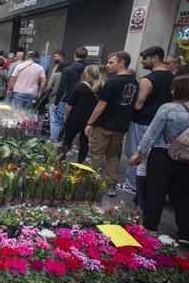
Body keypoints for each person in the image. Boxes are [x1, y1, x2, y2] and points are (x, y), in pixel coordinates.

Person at [130, 74, 189, 247]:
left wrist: (139, 153)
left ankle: (151, 227)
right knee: (183, 195)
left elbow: (151, 134)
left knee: (156, 191)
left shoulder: (168, 108)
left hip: (164, 155)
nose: (171, 91)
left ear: (181, 89)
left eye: (174, 87)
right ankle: (185, 233)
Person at [118, 46, 174, 195]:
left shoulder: (147, 80)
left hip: (142, 121)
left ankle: (132, 184)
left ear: (155, 58)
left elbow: (138, 105)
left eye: (145, 58)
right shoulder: (173, 78)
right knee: (151, 157)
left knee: (135, 153)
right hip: (163, 124)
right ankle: (143, 184)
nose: (142, 62)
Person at [85, 51, 139, 197]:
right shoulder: (134, 82)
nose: (107, 65)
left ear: (121, 63)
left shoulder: (112, 82)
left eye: (111, 62)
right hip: (120, 127)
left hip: (104, 126)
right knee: (113, 156)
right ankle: (111, 186)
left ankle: (93, 185)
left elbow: (101, 105)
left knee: (96, 155)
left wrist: (90, 123)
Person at [61, 64, 107, 163]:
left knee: (67, 139)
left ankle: (60, 160)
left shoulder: (80, 85)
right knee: (85, 143)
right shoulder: (102, 87)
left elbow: (70, 104)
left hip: (75, 117)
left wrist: (65, 116)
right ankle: (79, 164)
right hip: (90, 119)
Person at [52, 47, 88, 142]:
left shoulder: (68, 70)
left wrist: (56, 103)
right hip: (82, 101)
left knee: (57, 122)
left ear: (74, 55)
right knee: (73, 125)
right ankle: (69, 146)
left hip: (66, 99)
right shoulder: (88, 70)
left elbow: (62, 89)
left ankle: (53, 143)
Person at [46, 60, 67, 141]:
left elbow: (49, 87)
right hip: (66, 101)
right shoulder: (69, 75)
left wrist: (43, 93)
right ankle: (60, 136)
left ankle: (53, 139)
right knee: (61, 120)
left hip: (54, 99)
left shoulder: (55, 75)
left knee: (54, 121)